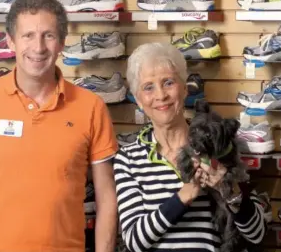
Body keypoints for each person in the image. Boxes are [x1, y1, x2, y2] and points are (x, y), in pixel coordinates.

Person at [0, 0, 118, 252]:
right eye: (28, 36)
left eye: (49, 35)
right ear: (10, 41)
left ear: (62, 42)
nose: (38, 47)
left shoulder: (91, 107)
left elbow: (106, 196)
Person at [113, 43, 267, 252]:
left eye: (168, 83)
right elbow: (133, 240)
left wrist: (230, 189)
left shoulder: (219, 145)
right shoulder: (129, 159)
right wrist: (185, 195)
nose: (160, 95)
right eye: (148, 87)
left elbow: (256, 233)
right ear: (138, 100)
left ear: (185, 89)